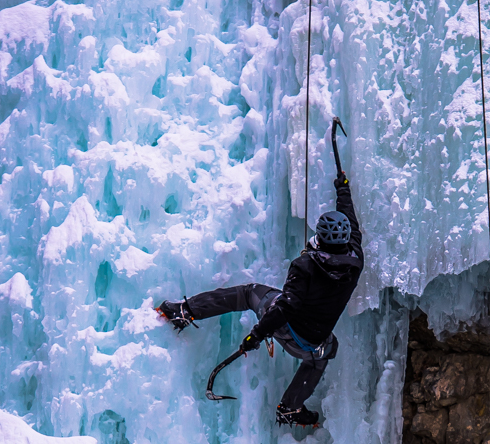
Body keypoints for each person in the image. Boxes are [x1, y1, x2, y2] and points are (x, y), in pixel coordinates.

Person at [155, 153, 362, 429]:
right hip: (313, 345)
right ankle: (290, 407)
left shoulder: (305, 266)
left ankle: (185, 311)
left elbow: (286, 307)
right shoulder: (356, 260)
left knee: (249, 293)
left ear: (320, 238)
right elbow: (351, 220)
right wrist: (343, 187)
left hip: (287, 330)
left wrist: (256, 335)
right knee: (326, 351)